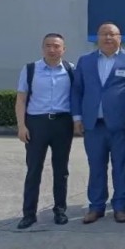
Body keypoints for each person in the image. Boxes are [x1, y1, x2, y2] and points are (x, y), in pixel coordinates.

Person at [72, 22, 125, 224]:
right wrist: (77, 118)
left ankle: (120, 206)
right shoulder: (85, 61)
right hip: (94, 125)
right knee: (96, 166)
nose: (108, 38)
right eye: (104, 34)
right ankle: (96, 206)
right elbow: (77, 91)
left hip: (121, 125)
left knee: (121, 166)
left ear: (120, 37)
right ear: (98, 37)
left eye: (112, 34)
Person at [15, 33, 75, 229]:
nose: (52, 49)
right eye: (48, 45)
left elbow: (77, 97)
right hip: (36, 124)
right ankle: (29, 214)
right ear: (42, 48)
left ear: (63, 49)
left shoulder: (70, 69)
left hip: (62, 124)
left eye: (56, 46)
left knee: (61, 170)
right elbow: (21, 99)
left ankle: (60, 210)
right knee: (34, 169)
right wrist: (22, 126)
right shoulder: (30, 69)